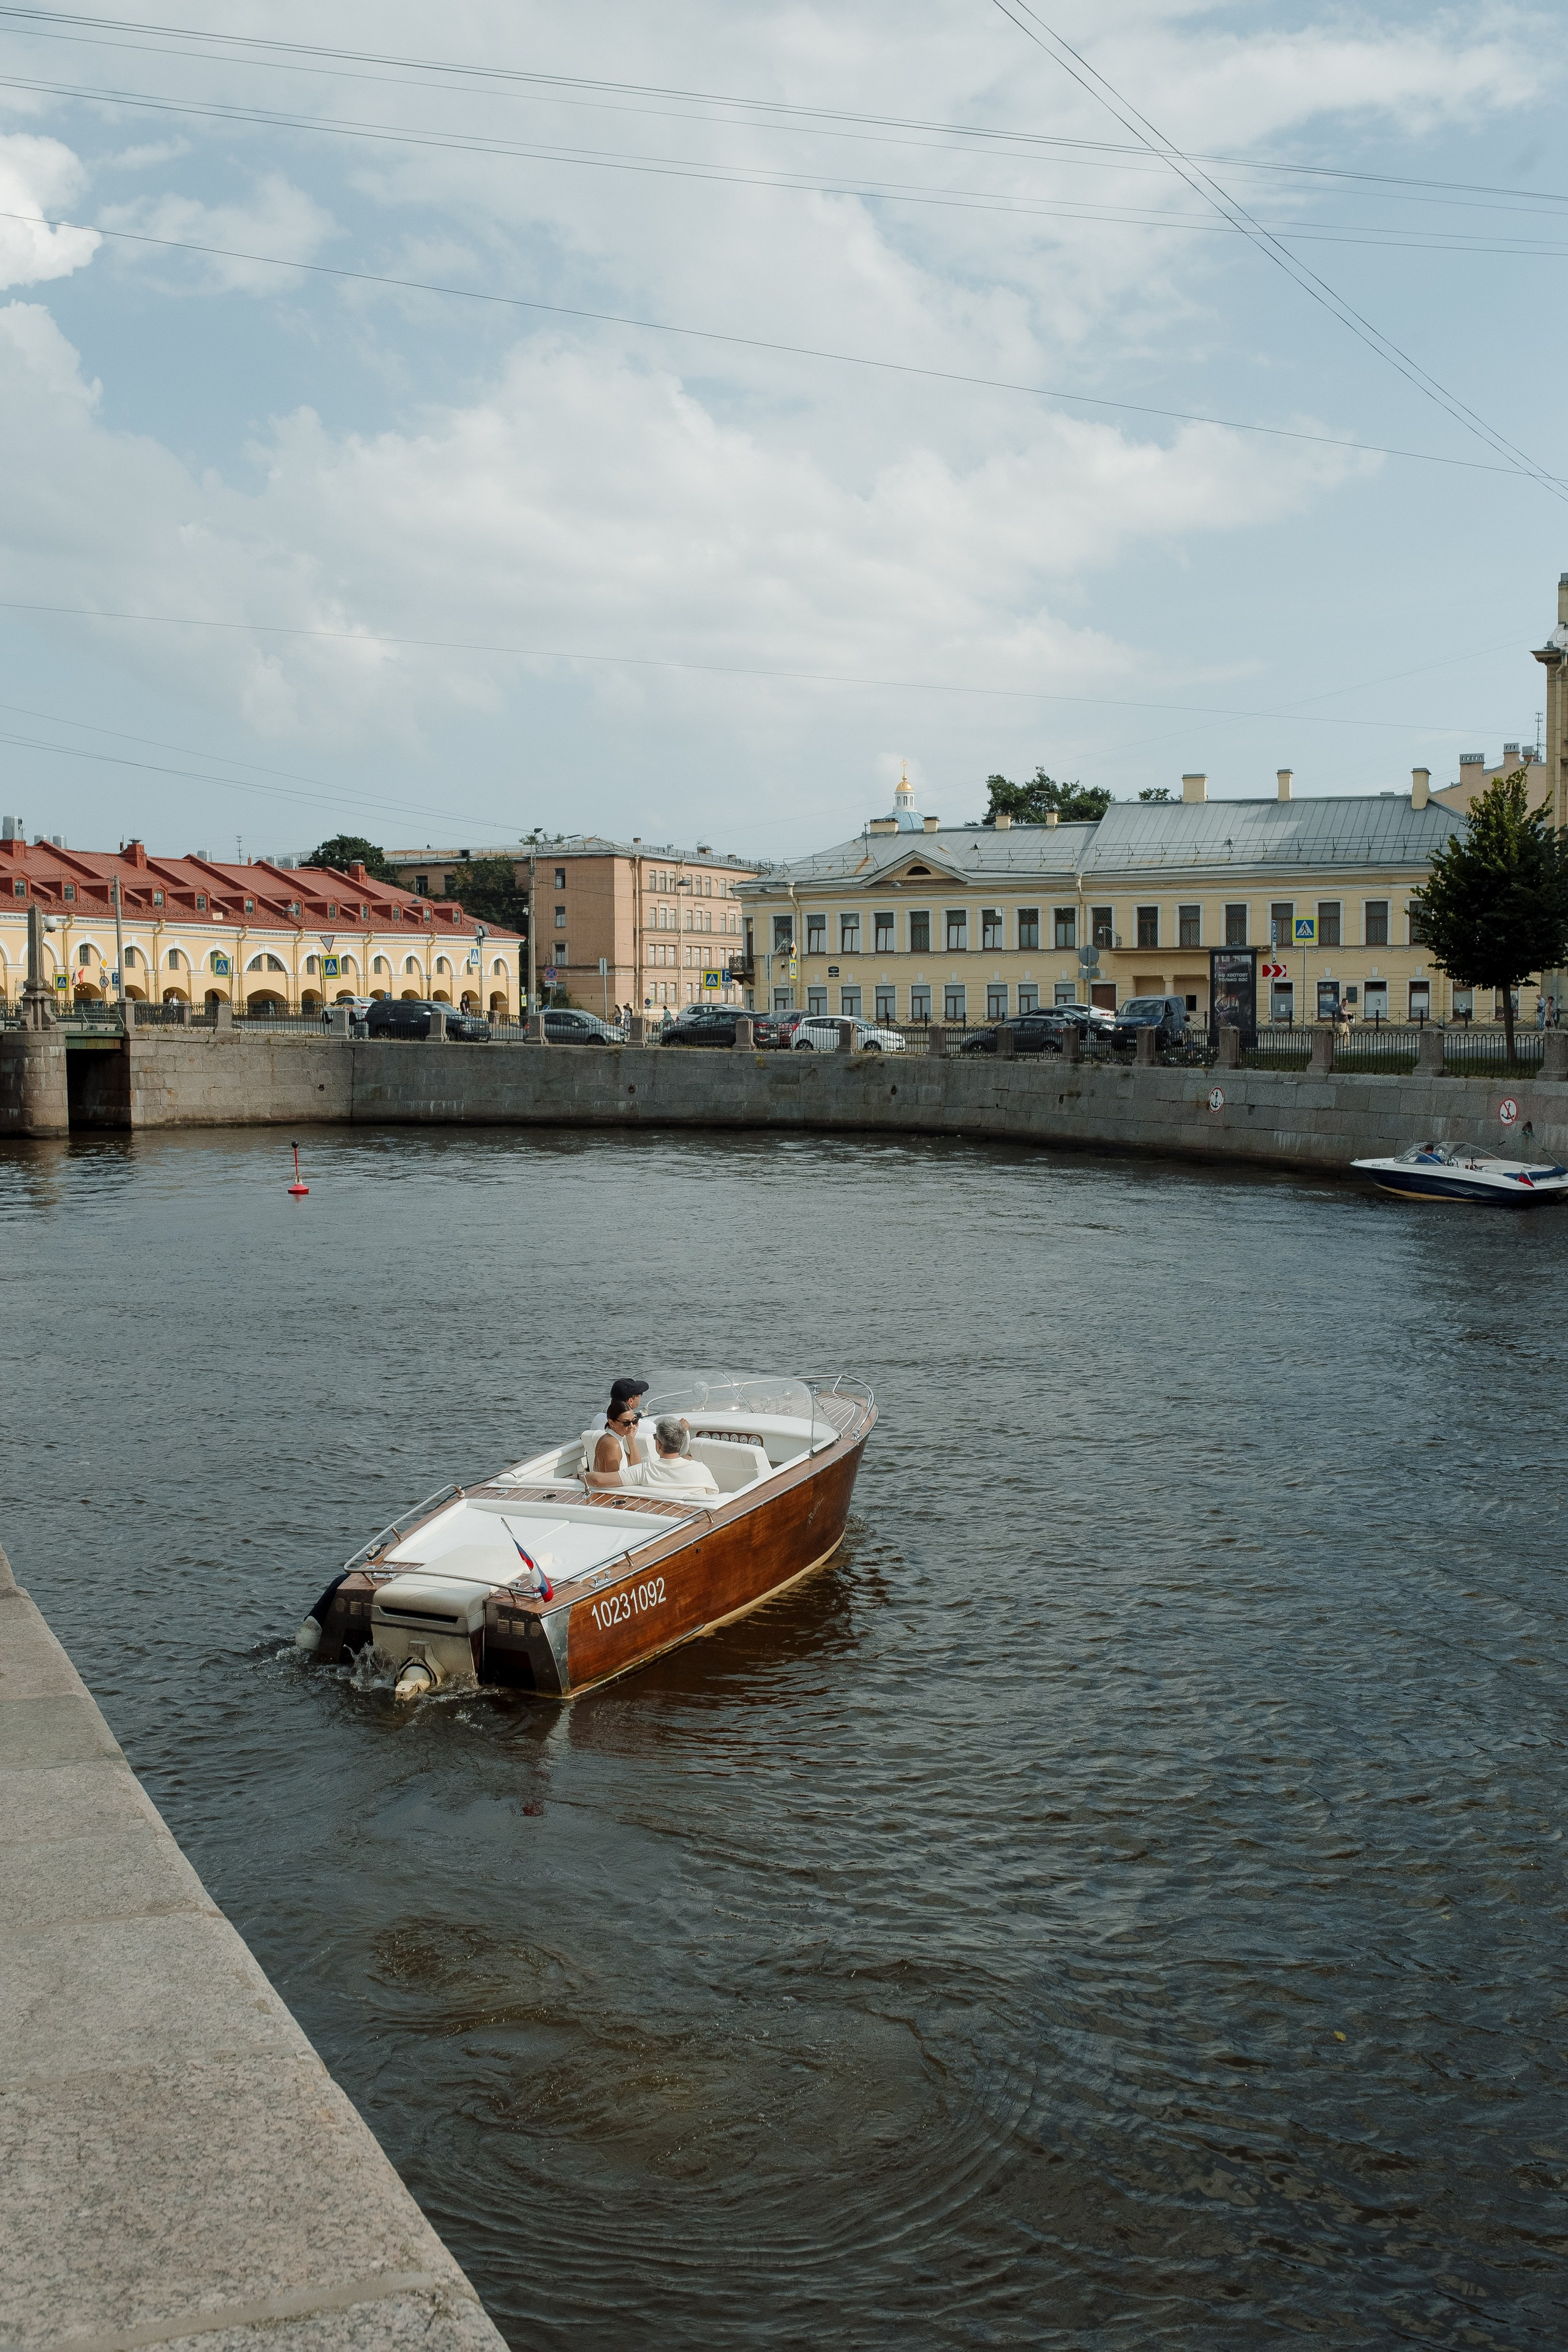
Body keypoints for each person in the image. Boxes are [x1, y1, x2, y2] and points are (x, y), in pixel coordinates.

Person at [625, 1416, 721, 1494]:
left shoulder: (642, 1472)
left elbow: (610, 1480)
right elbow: (714, 1496)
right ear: (682, 1442)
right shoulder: (701, 1470)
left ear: (659, 1445)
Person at [584, 1378, 649, 1488]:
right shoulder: (613, 1444)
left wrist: (631, 1438)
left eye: (634, 1421)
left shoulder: (613, 1438)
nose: (632, 1426)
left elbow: (635, 1465)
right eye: (626, 1423)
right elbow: (611, 1483)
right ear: (611, 1423)